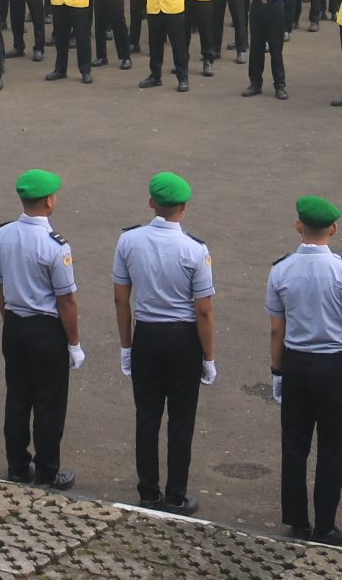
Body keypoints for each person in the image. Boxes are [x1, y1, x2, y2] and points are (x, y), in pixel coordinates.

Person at [268, 194, 342, 545]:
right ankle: (325, 524)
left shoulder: (280, 269)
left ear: (299, 226)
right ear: (334, 229)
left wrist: (277, 372)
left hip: (296, 363)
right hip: (333, 366)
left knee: (294, 446)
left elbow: (276, 329)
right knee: (332, 448)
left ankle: (298, 521)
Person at [113, 171, 215, 513]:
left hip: (147, 334)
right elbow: (203, 311)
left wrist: (126, 346)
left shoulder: (129, 241)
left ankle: (147, 490)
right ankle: (175, 494)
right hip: (183, 338)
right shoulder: (195, 250)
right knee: (181, 419)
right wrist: (209, 355)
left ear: (151, 203)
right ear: (183, 207)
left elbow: (121, 300)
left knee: (147, 414)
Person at [0, 169, 82, 490]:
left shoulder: (2, 235)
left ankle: (17, 466)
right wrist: (74, 342)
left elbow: (0, 287)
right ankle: (46, 471)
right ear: (49, 200)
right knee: (48, 402)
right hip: (46, 330)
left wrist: (9, 321)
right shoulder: (56, 246)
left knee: (17, 398)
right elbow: (66, 301)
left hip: (14, 325)